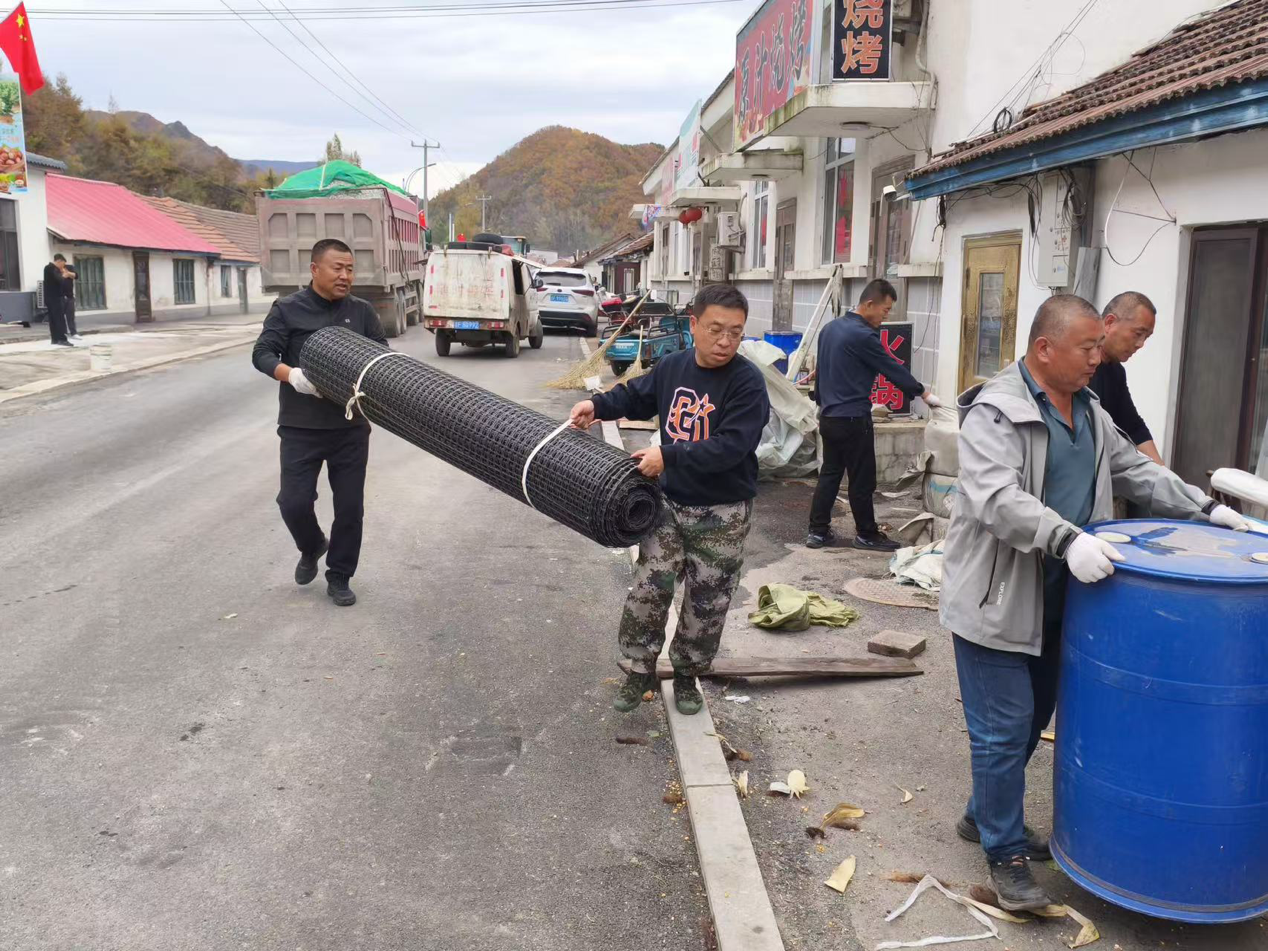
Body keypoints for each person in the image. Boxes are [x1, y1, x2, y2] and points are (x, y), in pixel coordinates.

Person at [941, 294, 1248, 911]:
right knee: (1003, 730)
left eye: (1097, 348)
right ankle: (1006, 855)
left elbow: (1136, 470)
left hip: (1064, 600)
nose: (1095, 358)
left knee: (1033, 718)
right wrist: (1067, 538)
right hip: (998, 598)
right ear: (1044, 348)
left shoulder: (1088, 409)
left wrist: (1206, 509)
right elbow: (996, 499)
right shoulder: (996, 412)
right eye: (1086, 347)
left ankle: (982, 814)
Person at [569, 284, 769, 716]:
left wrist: (669, 455)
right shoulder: (673, 366)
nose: (725, 341)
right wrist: (596, 406)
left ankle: (687, 675)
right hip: (669, 506)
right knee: (649, 587)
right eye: (715, 329)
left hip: (722, 514)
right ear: (693, 324)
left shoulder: (747, 383)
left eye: (735, 332)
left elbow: (732, 447)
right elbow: (636, 395)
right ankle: (638, 670)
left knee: (707, 600)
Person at [251, 238, 387, 608]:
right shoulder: (287, 309)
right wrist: (291, 374)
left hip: (350, 427)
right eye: (337, 268)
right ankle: (312, 546)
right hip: (301, 427)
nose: (345, 276)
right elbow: (262, 353)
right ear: (314, 269)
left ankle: (339, 575)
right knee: (293, 503)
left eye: (350, 269)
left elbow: (382, 356)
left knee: (350, 509)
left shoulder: (361, 312)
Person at [807, 278, 940, 551]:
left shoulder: (830, 329)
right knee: (862, 480)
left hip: (829, 417)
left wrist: (821, 403)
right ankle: (866, 534)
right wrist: (923, 393)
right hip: (853, 420)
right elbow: (890, 367)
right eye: (885, 309)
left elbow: (821, 372)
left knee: (830, 475)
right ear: (869, 304)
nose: (886, 316)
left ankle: (817, 532)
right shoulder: (863, 335)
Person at [1089, 291, 1162, 465]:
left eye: (1146, 337)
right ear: (1109, 323)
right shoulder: (1078, 367)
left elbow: (1133, 426)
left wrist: (1163, 472)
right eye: (1138, 333)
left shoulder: (1116, 371)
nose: (1140, 344)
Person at [42, 253, 73, 347]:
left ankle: (55, 339)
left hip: (50, 297)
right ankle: (62, 339)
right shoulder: (51, 268)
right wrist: (64, 275)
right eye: (63, 264)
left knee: (53, 319)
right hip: (55, 297)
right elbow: (59, 280)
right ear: (59, 261)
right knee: (59, 319)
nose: (63, 266)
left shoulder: (48, 268)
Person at [62, 261, 79, 340]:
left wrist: (68, 273)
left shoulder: (69, 267)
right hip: (59, 297)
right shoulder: (54, 269)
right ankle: (63, 333)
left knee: (71, 316)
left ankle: (74, 333)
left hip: (70, 297)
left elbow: (76, 276)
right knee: (60, 317)